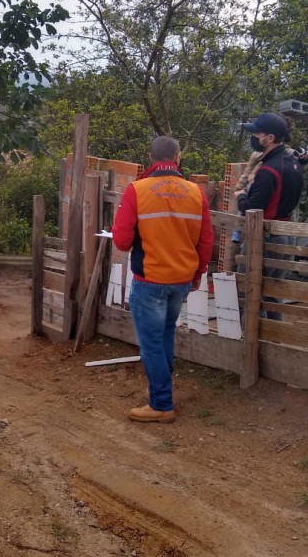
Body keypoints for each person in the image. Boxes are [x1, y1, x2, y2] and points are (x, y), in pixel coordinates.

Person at [112, 137, 213, 423]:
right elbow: (206, 242)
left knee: (152, 344)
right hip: (181, 279)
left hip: (150, 280)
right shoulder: (196, 193)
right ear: (178, 158)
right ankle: (162, 395)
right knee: (165, 335)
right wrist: (197, 274)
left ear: (150, 158)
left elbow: (121, 240)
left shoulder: (137, 190)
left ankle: (161, 404)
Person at [235, 112, 305, 319]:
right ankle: (273, 343)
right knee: (271, 294)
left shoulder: (269, 170)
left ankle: (249, 347)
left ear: (269, 138)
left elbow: (253, 208)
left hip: (266, 237)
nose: (254, 138)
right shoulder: (294, 163)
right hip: (286, 234)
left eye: (257, 134)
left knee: (246, 292)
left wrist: (240, 196)